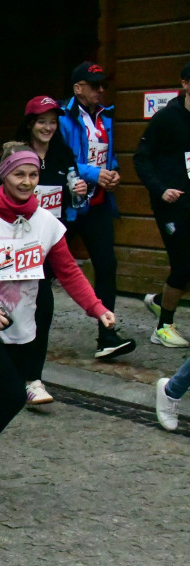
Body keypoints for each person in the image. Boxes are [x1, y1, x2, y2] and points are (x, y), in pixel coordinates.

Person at [0, 143, 116, 491]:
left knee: (6, 397)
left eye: (32, 175)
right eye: (19, 174)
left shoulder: (46, 223)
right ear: (4, 176)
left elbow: (69, 271)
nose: (27, 182)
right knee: (13, 393)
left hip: (22, 326)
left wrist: (97, 308)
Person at [0, 96, 88, 404]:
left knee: (43, 308)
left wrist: (80, 193)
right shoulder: (15, 153)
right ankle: (5, 372)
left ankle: (33, 378)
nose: (48, 127)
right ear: (30, 123)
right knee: (9, 308)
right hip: (15, 243)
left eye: (53, 122)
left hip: (48, 244)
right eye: (42, 121)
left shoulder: (63, 153)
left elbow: (75, 201)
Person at [58, 61, 136, 360]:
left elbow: (107, 155)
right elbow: (63, 159)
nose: (101, 90)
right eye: (94, 86)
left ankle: (107, 335)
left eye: (103, 85)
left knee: (106, 265)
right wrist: (93, 174)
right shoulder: (62, 117)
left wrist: (114, 173)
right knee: (47, 267)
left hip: (98, 204)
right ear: (78, 88)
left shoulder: (105, 116)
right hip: (69, 204)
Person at [134, 61, 190, 349]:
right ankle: (163, 327)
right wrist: (161, 190)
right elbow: (141, 158)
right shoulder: (167, 118)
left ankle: (159, 301)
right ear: (185, 84)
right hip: (171, 205)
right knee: (183, 263)